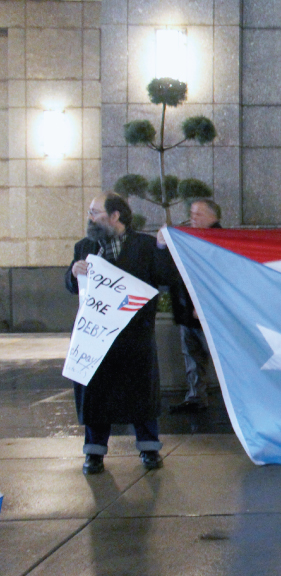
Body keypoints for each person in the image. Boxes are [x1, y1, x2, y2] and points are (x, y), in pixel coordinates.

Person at [65, 193, 177, 474]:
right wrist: (73, 272)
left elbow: (166, 278)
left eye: (95, 212)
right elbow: (71, 286)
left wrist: (164, 250)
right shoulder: (85, 247)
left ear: (115, 216)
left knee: (140, 394)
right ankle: (94, 453)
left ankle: (149, 448)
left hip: (134, 338)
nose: (90, 217)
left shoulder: (146, 246)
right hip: (96, 338)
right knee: (95, 395)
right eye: (90, 212)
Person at [168, 199, 222, 414]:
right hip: (188, 310)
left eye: (199, 214)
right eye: (192, 213)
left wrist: (204, 304)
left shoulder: (218, 242)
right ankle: (195, 396)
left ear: (213, 217)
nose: (193, 218)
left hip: (208, 313)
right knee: (192, 355)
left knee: (216, 355)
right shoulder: (190, 237)